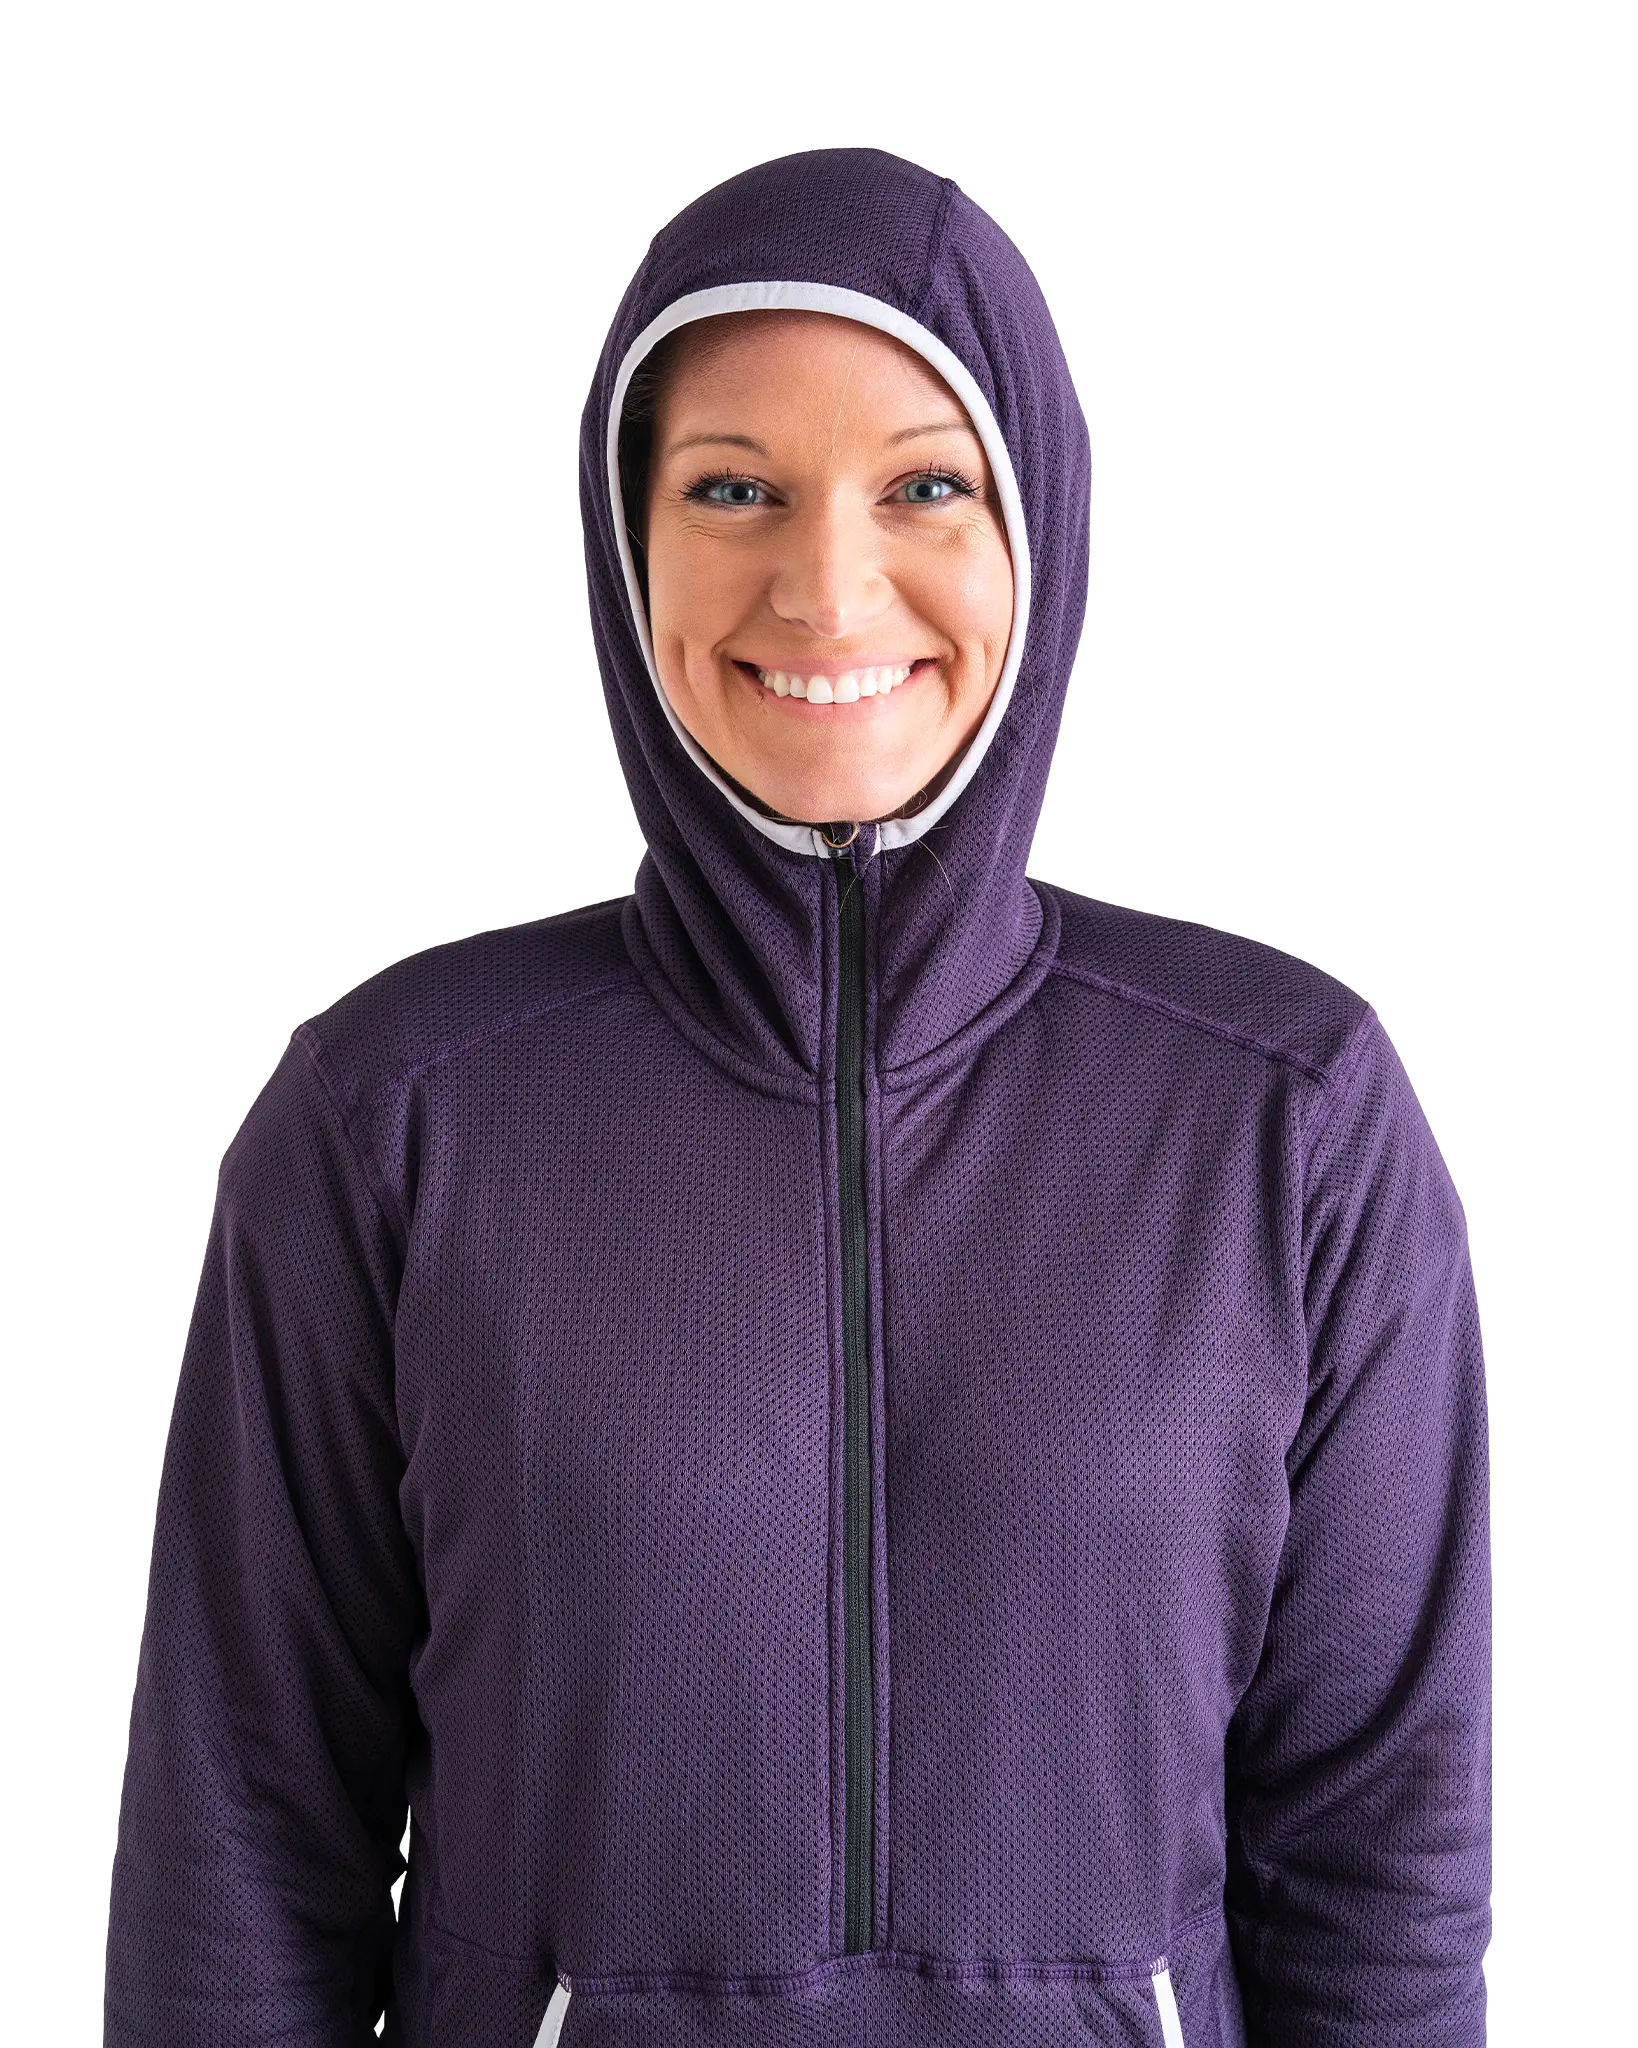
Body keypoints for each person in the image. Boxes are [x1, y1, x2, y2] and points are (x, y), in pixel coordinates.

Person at [103, 146, 1491, 2047]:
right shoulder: (393, 1114)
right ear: (626, 542)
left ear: (1041, 526)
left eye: (924, 485)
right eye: (732, 488)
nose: (825, 588)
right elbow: (245, 1826)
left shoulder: (1284, 1113)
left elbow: (1378, 1845)